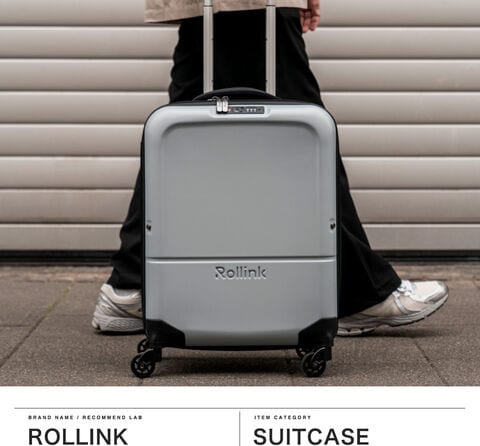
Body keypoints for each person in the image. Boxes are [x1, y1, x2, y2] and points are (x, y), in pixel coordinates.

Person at [92, 0, 448, 337]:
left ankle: (131, 283)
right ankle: (358, 293)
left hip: (230, 7)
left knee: (185, 129)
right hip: (250, 4)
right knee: (301, 134)